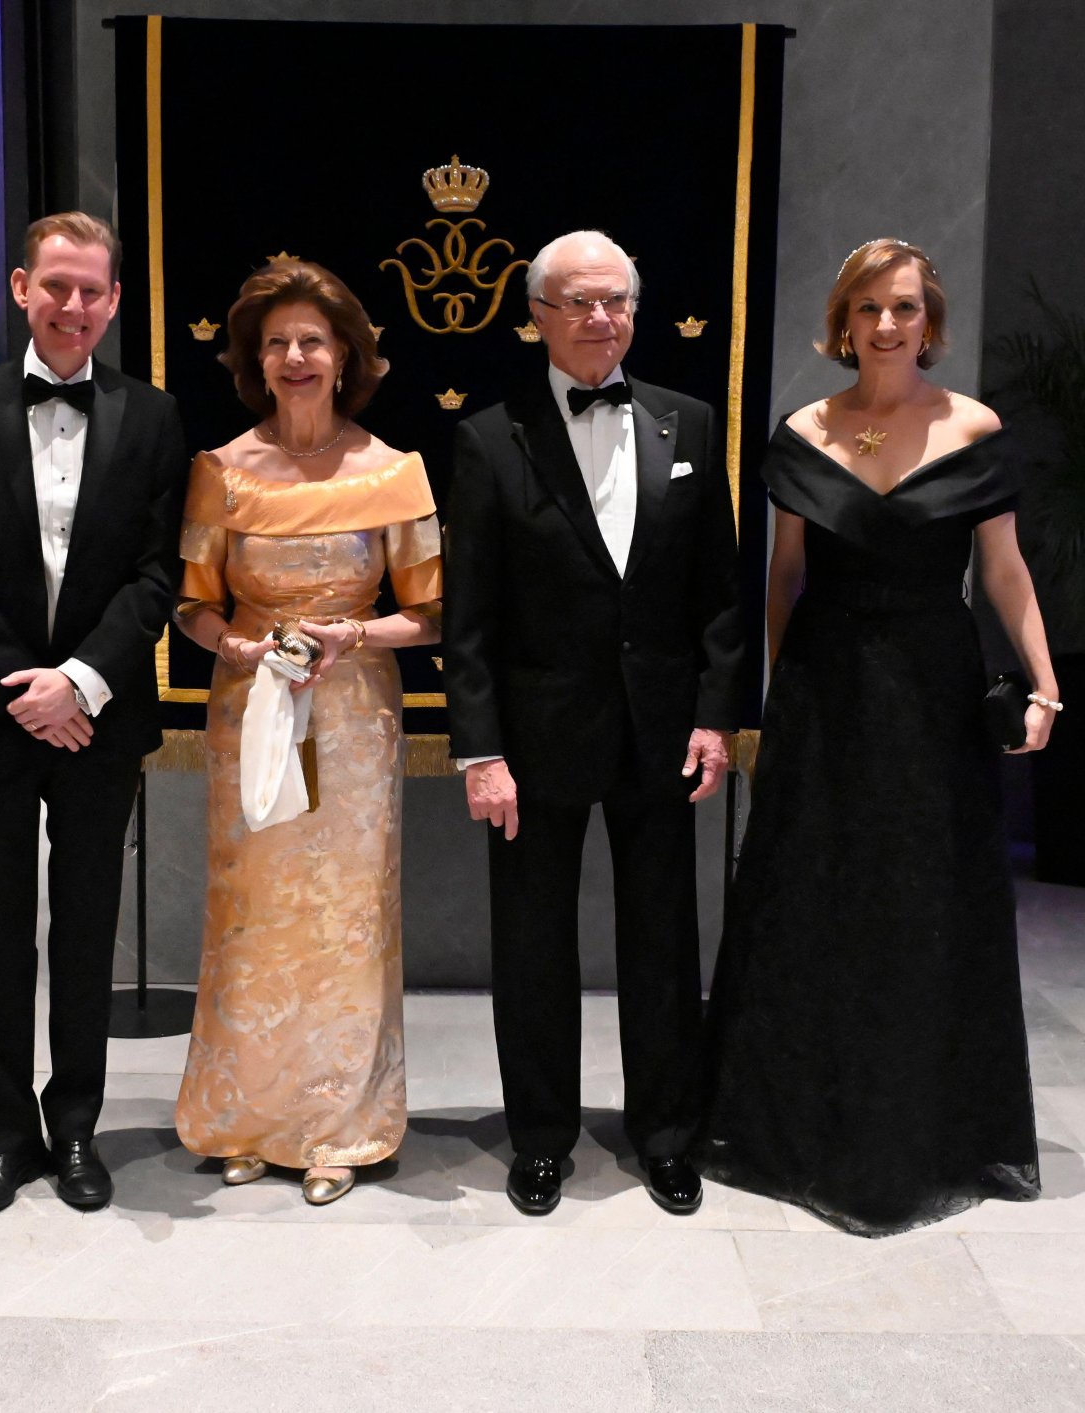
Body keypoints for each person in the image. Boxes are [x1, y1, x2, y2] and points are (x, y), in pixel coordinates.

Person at [693, 238, 1060, 1237]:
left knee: (924, 898)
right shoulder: (803, 432)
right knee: (814, 895)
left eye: (903, 308)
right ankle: (798, 1119)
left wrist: (1048, 685)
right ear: (843, 323)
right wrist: (777, 700)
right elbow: (782, 578)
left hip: (934, 693)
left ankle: (921, 1127)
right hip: (826, 687)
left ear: (928, 320)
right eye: (868, 310)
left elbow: (1007, 572)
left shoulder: (975, 428)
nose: (887, 326)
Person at [442, 230, 742, 1216]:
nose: (601, 320)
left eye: (616, 301)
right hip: (532, 742)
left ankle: (664, 1133)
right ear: (536, 314)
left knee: (663, 942)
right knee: (532, 945)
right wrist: (481, 750)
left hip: (660, 732)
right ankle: (540, 1139)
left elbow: (719, 597)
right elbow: (470, 617)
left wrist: (714, 717)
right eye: (578, 302)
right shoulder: (489, 437)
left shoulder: (688, 424)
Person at [0, 212, 188, 1217]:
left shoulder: (153, 418)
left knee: (84, 929)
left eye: (92, 291)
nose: (73, 306)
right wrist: (27, 688)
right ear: (23, 287)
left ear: (114, 301)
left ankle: (76, 1128)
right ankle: (7, 1132)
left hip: (98, 719)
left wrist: (85, 681)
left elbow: (161, 572)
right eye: (56, 286)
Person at [173, 258, 441, 1206]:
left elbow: (436, 613)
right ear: (257, 357)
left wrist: (351, 633)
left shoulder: (393, 473)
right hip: (250, 706)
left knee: (346, 918)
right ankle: (247, 1115)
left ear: (344, 356)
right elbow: (192, 604)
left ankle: (338, 1125)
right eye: (277, 341)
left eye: (312, 341)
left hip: (356, 711)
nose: (294, 356)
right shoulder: (221, 473)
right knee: (253, 913)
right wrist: (239, 648)